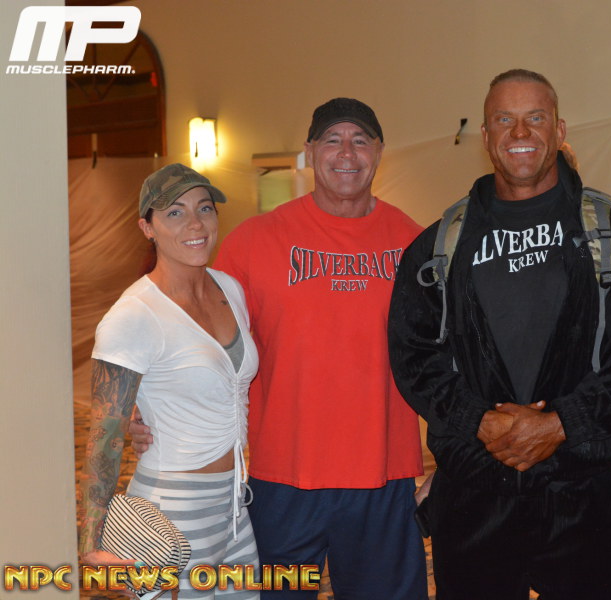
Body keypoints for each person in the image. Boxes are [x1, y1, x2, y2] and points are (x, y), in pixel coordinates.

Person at [388, 69, 611, 600]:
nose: (520, 132)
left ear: (559, 130)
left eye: (535, 118)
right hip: (473, 499)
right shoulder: (437, 249)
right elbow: (413, 357)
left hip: (582, 498)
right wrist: (479, 420)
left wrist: (562, 424)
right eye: (504, 119)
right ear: (486, 135)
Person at [132, 99, 427, 600]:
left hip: (384, 474)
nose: (347, 153)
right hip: (281, 477)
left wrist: (452, 460)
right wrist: (148, 407)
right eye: (332, 140)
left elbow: (443, 356)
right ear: (310, 152)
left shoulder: (414, 242)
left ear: (379, 152)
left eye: (360, 140)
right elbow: (198, 337)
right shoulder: (254, 241)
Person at [80, 163, 260, 599]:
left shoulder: (229, 289)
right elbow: (104, 437)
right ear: (147, 227)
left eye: (204, 208)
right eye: (175, 212)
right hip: (171, 511)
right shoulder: (134, 315)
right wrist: (91, 543)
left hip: (233, 505)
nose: (195, 223)